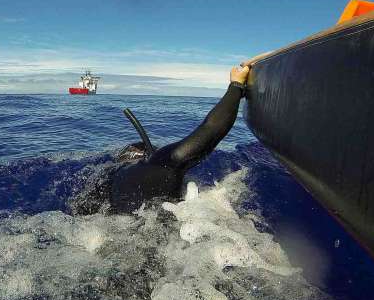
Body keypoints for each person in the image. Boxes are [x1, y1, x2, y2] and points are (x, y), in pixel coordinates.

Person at [70, 64, 251, 214]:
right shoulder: (156, 165)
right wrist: (236, 85)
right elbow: (211, 130)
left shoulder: (105, 180)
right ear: (146, 155)